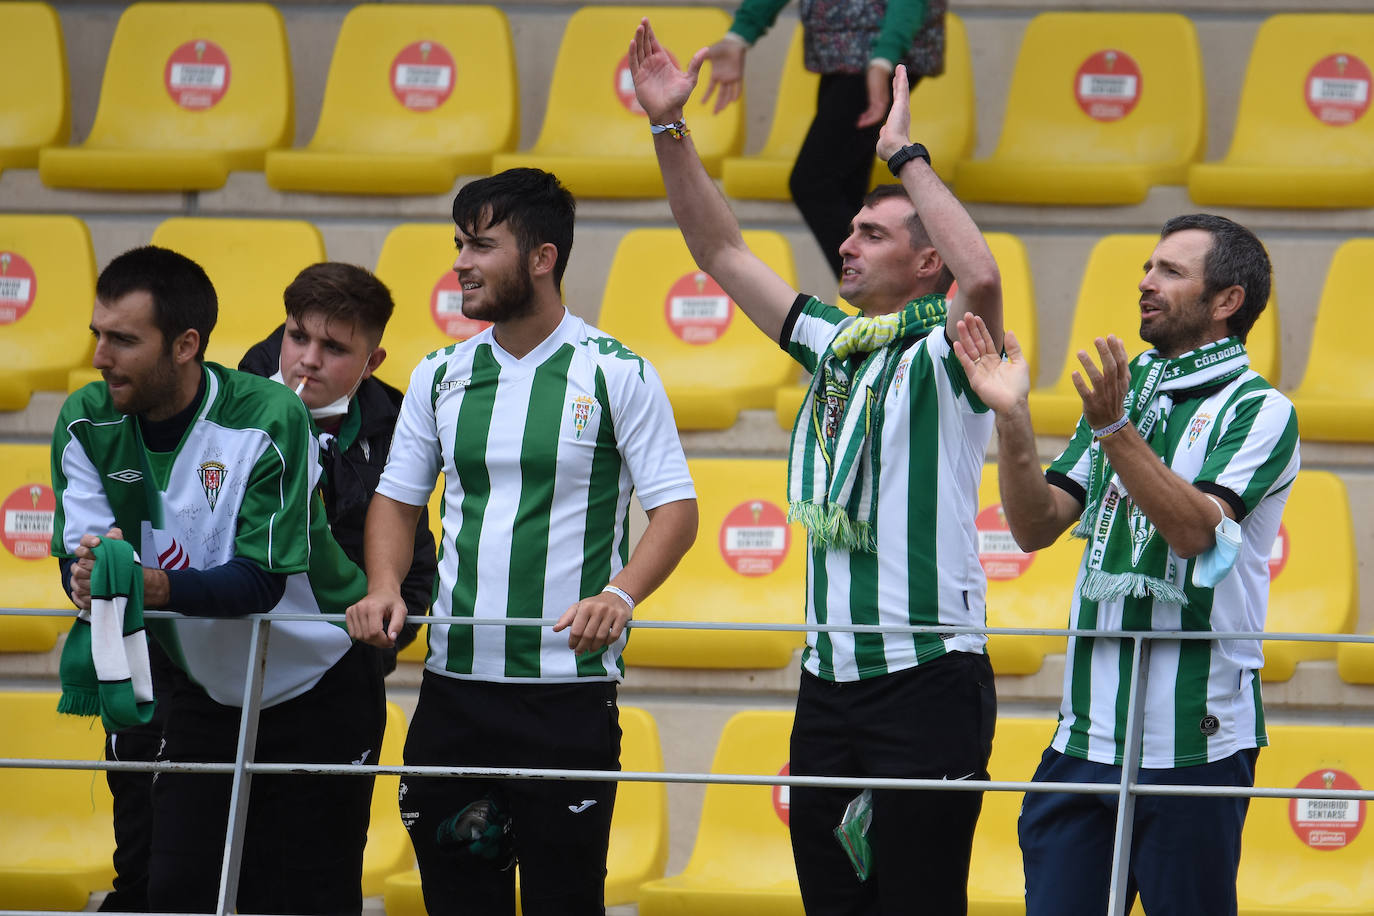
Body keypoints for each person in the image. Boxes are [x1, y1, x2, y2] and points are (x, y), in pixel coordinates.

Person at [631, 22, 999, 914]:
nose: (847, 241)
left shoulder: (961, 347)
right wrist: (669, 130)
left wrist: (904, 157)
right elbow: (720, 251)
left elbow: (980, 274)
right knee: (831, 902)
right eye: (852, 229)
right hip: (828, 683)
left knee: (918, 903)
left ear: (924, 262)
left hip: (927, 678)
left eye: (871, 234)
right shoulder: (835, 344)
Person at [345, 167, 699, 916]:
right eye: (458, 244)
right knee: (456, 901)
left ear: (541, 258)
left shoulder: (617, 372)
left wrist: (620, 592)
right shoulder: (440, 373)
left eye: (481, 245)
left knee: (562, 903)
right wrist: (383, 585)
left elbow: (676, 510)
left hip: (566, 698)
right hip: (454, 692)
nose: (461, 263)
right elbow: (396, 504)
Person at [952, 214, 1300, 915]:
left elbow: (1194, 532)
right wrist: (1012, 417)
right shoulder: (1124, 389)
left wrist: (1115, 430)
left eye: (1171, 271)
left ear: (1227, 300)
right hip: (1084, 736)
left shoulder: (1262, 411)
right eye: (1147, 266)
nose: (1146, 281)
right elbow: (1034, 524)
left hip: (1195, 745)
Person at [51, 245, 381, 915]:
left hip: (319, 685)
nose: (100, 357)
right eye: (98, 335)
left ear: (184, 345)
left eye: (123, 339)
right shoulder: (85, 421)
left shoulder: (268, 418)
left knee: (306, 901)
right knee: (175, 894)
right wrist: (88, 578)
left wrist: (148, 587)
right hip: (204, 690)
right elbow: (79, 559)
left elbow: (258, 585)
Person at [239, 261, 438, 676]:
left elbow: (415, 567)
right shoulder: (229, 414)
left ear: (372, 362)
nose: (308, 360)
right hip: (236, 659)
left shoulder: (397, 428)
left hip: (344, 672)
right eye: (297, 338)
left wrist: (371, 652)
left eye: (334, 348)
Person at [701, 0, 946, 281]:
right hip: (842, 54)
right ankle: (878, 302)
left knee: (814, 183)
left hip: (878, 52)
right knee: (844, 186)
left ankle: (882, 296)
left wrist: (883, 60)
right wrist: (739, 36)